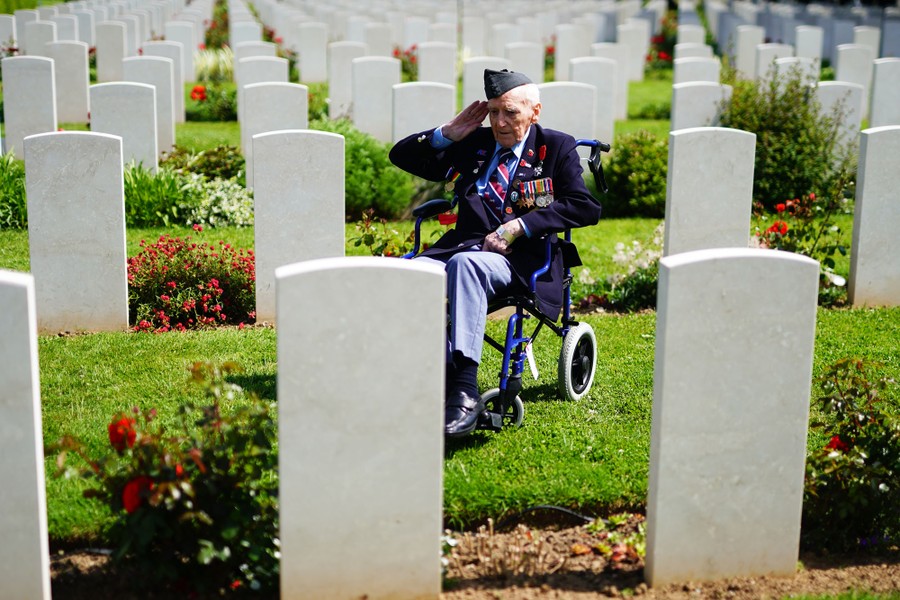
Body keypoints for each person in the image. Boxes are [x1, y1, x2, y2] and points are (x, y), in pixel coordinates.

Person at [389, 68, 602, 437]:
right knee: (406, 275)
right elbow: (401, 157)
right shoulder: (477, 143)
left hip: (521, 260)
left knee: (466, 265)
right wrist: (447, 135)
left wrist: (520, 226)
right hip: (462, 247)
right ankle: (423, 377)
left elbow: (583, 206)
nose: (500, 123)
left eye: (510, 113)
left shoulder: (556, 146)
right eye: (493, 112)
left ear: (534, 111)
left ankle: (464, 392)